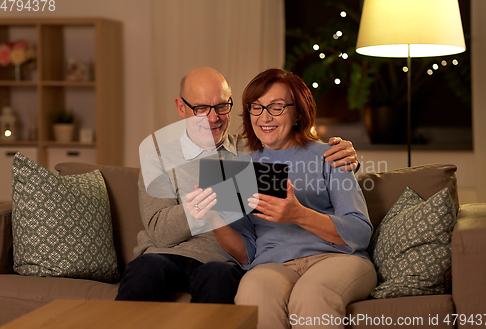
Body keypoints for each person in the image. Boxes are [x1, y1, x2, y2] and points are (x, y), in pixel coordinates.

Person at [115, 67, 362, 304]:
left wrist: (345, 156)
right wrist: (202, 205)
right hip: (164, 256)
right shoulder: (158, 157)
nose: (212, 118)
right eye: (201, 108)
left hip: (223, 262)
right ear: (181, 108)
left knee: (220, 278)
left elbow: (300, 155)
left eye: (221, 106)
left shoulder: (253, 148)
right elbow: (160, 232)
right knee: (145, 270)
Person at [185, 68, 376, 328]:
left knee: (310, 296)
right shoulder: (240, 167)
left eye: (276, 107)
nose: (265, 117)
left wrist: (298, 214)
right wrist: (213, 216)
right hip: (272, 263)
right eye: (257, 107)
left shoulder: (331, 155)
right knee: (253, 293)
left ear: (298, 112)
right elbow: (245, 254)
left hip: (337, 259)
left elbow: (359, 233)